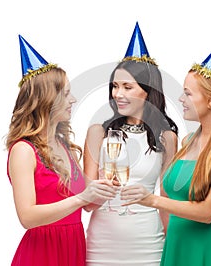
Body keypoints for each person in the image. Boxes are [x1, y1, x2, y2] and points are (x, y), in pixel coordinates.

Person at [121, 29, 211, 266]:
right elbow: (172, 197)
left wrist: (152, 200)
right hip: (177, 247)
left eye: (188, 93)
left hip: (210, 251)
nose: (180, 99)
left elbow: (207, 212)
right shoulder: (188, 141)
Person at [6, 35, 116, 266]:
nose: (73, 99)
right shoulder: (24, 150)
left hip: (72, 246)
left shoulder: (64, 146)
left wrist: (102, 191)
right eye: (65, 94)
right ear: (46, 99)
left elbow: (85, 205)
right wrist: (82, 198)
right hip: (42, 252)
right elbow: (27, 217)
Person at [84, 22, 178, 265]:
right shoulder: (98, 133)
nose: (118, 94)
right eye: (115, 86)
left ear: (148, 91)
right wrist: (102, 188)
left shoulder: (167, 137)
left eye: (127, 87)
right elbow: (88, 204)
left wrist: (173, 244)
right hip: (102, 243)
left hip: (148, 241)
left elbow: (166, 199)